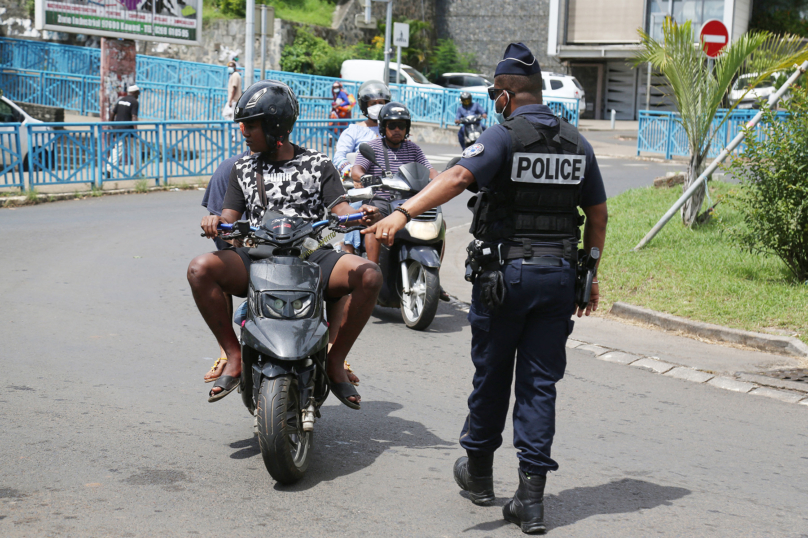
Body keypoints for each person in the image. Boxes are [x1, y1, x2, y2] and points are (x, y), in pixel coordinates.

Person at [363, 43, 608, 534]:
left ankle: (478, 474)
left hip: (507, 278)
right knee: (540, 387)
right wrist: (591, 271)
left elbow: (456, 175)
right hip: (560, 276)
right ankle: (531, 501)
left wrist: (403, 211)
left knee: (492, 375)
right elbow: (597, 213)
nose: (495, 100)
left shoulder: (503, 136)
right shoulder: (576, 142)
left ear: (505, 94)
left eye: (497, 93)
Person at [188, 80, 382, 409]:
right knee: (200, 268)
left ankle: (336, 362)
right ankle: (234, 357)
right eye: (242, 125)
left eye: (251, 125)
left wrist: (358, 215)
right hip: (258, 256)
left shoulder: (319, 164)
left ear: (275, 125)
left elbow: (341, 209)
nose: (243, 132)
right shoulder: (241, 168)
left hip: (312, 255)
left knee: (369, 274)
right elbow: (228, 216)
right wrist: (215, 222)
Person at [351, 102, 437, 266]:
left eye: (401, 125)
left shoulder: (413, 149)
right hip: (381, 199)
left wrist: (438, 179)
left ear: (407, 128)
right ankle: (373, 270)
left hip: (409, 200)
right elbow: (357, 170)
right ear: (383, 127)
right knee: (373, 220)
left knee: (439, 223)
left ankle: (433, 276)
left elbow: (431, 171)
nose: (397, 129)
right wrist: (364, 177)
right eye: (392, 125)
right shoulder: (373, 146)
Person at [332, 80, 391, 254]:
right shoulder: (354, 131)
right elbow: (339, 156)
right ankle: (349, 252)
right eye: (373, 103)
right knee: (359, 210)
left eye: (382, 103)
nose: (378, 107)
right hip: (363, 187)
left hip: (390, 188)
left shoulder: (393, 129)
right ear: (365, 106)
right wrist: (353, 174)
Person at [107, 85, 140, 172]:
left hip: (118, 129)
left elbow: (112, 114)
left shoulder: (121, 100)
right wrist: (136, 130)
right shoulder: (134, 102)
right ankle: (138, 171)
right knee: (135, 150)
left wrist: (111, 126)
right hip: (129, 130)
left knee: (117, 150)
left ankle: (109, 169)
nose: (139, 94)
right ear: (135, 92)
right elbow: (134, 116)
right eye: (138, 92)